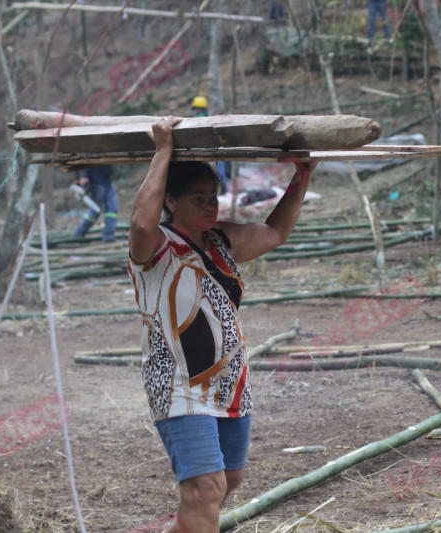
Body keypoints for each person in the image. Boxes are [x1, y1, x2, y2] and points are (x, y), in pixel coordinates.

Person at [128, 116, 315, 533]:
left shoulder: (221, 241)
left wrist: (302, 176)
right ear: (170, 201)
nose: (211, 206)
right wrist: (163, 152)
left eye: (213, 196)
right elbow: (140, 222)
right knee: (205, 489)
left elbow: (274, 230)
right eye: (198, 198)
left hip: (230, 382)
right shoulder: (154, 247)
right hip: (179, 383)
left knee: (227, 480)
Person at [72, 165, 119, 242]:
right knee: (94, 211)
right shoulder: (90, 153)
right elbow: (87, 157)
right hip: (97, 183)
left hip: (107, 182)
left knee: (112, 210)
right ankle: (78, 234)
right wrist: (85, 175)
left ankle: (109, 237)